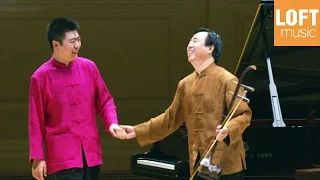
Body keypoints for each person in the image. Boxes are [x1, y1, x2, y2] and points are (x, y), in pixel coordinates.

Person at [122, 27, 252, 180]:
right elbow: (170, 119)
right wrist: (137, 131)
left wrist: (228, 129)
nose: (190, 45)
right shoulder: (185, 84)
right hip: (199, 163)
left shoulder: (227, 79)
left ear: (210, 48)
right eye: (190, 41)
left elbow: (244, 114)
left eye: (195, 41)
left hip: (226, 167)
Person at [28, 17, 126, 180]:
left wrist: (112, 122)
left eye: (79, 40)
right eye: (72, 41)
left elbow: (105, 101)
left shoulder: (89, 67)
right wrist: (38, 158)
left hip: (90, 151)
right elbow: (35, 121)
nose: (77, 45)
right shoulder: (40, 77)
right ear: (56, 44)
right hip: (61, 156)